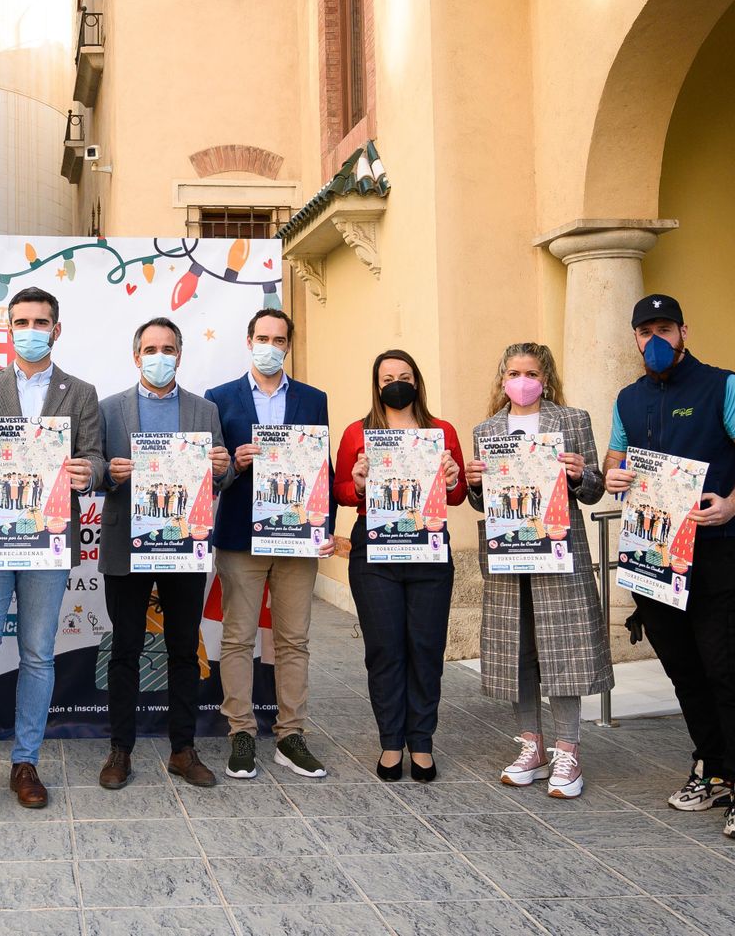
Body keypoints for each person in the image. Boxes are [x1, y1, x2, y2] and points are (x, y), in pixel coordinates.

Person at [604, 294, 735, 840]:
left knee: (728, 670)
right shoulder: (627, 398)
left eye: (664, 328)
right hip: (653, 555)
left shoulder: (724, 386)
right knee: (682, 668)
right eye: (644, 330)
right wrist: (613, 476)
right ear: (634, 338)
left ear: (684, 331)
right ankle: (712, 765)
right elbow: (616, 458)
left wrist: (733, 502)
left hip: (716, 549)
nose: (654, 339)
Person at [0, 287, 104, 822]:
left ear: (57, 329)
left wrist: (87, 472)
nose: (31, 329)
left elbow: (95, 455)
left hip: (48, 540)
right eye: (21, 321)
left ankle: (25, 762)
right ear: (9, 329)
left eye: (41, 321)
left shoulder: (81, 392)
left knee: (36, 654)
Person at [463, 343, 613, 799]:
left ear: (544, 378)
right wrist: (473, 484)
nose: (521, 380)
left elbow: (594, 491)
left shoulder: (572, 420)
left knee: (562, 647)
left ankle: (568, 749)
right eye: (513, 372)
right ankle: (532, 745)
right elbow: (481, 500)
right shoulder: (486, 429)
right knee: (518, 649)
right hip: (509, 554)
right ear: (502, 378)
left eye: (530, 372)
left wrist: (579, 473)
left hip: (559, 550)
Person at [96, 317, 231, 789]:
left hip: (183, 546)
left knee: (182, 647)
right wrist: (109, 473)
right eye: (151, 349)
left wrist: (221, 467)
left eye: (168, 348)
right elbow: (92, 472)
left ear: (180, 354)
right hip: (125, 547)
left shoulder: (203, 410)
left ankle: (182, 748)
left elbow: (221, 475)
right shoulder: (109, 408)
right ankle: (120, 750)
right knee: (125, 649)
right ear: (136, 357)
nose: (160, 356)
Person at [207, 308, 337, 780]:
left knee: (293, 640)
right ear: (248, 340)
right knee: (238, 638)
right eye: (262, 336)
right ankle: (241, 732)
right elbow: (210, 476)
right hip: (241, 537)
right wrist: (235, 465)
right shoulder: (219, 398)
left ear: (288, 346)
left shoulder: (312, 399)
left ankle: (290, 735)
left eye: (278, 339)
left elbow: (323, 467)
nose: (269, 345)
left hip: (298, 538)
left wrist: (323, 528)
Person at [334, 350, 466, 782]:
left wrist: (451, 479)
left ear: (416, 381)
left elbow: (459, 492)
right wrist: (355, 482)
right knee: (385, 650)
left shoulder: (441, 431)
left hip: (428, 553)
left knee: (426, 649)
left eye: (404, 375)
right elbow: (339, 490)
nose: (396, 383)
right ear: (377, 384)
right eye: (387, 377)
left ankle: (422, 742)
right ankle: (391, 741)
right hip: (374, 555)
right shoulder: (359, 432)